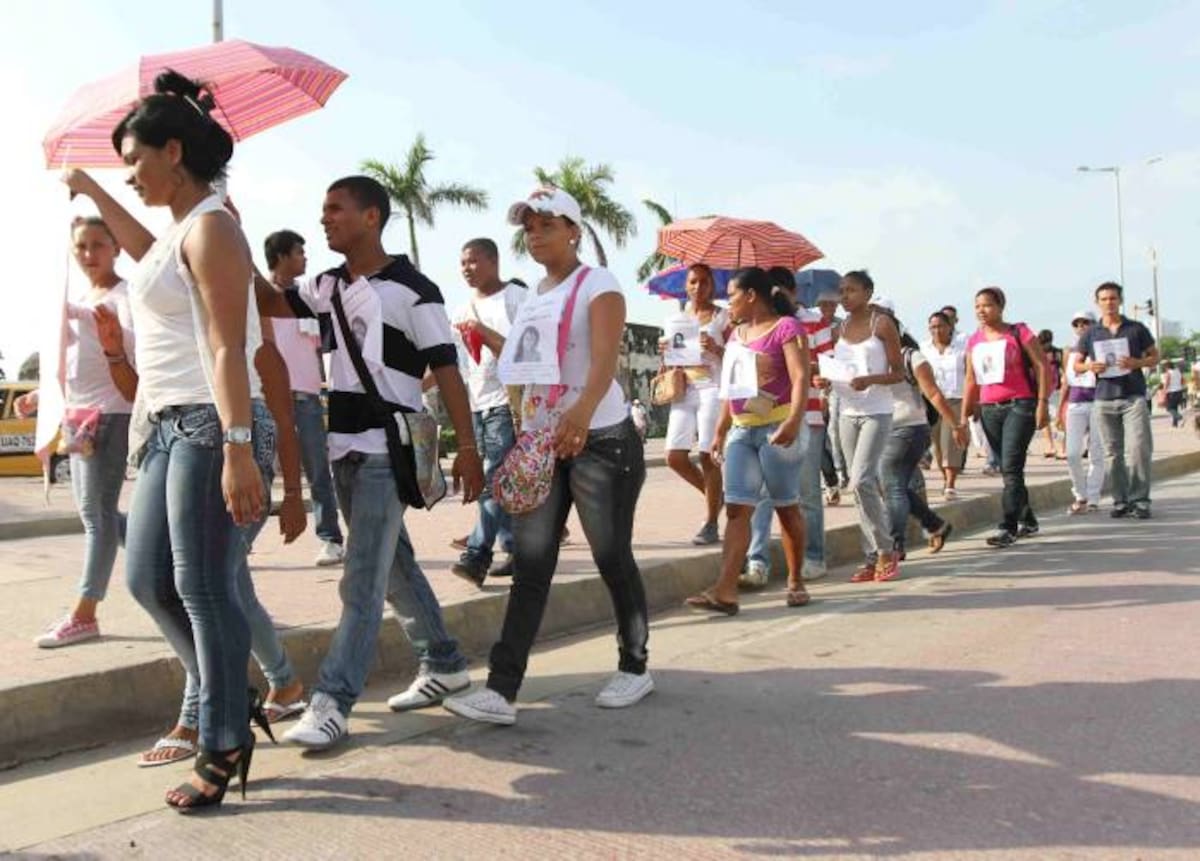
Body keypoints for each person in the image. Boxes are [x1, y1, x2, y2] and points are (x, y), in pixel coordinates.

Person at [63, 70, 276, 811]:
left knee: (204, 584)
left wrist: (240, 445)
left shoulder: (216, 225)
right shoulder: (179, 233)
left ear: (174, 150)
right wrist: (93, 191)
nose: (131, 173)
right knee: (147, 578)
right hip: (166, 428)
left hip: (213, 425)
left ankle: (222, 739)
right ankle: (231, 690)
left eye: (135, 160)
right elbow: (147, 244)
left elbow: (226, 343)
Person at [252, 175, 484, 748]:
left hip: (387, 450)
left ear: (372, 216)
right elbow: (268, 299)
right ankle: (445, 663)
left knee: (360, 581)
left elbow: (447, 369)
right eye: (322, 208)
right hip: (343, 449)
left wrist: (470, 447)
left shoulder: (413, 288)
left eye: (336, 209)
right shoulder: (324, 284)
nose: (324, 219)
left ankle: (333, 700)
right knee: (394, 566)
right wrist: (228, 231)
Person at [444, 186, 651, 725]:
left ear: (574, 230)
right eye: (529, 227)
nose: (535, 235)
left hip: (600, 439)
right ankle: (502, 689)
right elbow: (528, 363)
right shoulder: (535, 292)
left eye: (547, 225)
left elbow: (605, 359)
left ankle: (635, 666)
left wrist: (580, 414)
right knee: (532, 566)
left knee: (611, 556)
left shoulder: (598, 284)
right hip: (545, 443)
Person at [21, 217, 136, 649]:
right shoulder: (86, 296)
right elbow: (76, 365)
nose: (90, 255)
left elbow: (126, 341)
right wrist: (41, 396)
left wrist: (76, 314)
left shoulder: (122, 296)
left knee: (97, 515)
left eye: (98, 245)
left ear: (116, 248)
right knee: (102, 516)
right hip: (80, 416)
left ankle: (85, 613)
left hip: (110, 414)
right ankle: (168, 569)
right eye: (81, 247)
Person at [684, 266, 810, 613]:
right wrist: (721, 429)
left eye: (733, 296)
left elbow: (801, 378)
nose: (729, 303)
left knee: (786, 507)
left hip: (777, 428)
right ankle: (725, 591)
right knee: (737, 509)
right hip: (741, 429)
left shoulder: (787, 328)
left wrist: (795, 421)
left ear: (751, 296)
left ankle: (795, 579)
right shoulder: (737, 334)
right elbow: (730, 389)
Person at [744, 266, 831, 586]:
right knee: (763, 495)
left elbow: (830, 362)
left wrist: (795, 360)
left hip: (806, 416)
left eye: (781, 290)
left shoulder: (813, 322)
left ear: (793, 292)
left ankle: (814, 556)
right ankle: (758, 562)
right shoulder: (753, 326)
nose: (776, 296)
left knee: (806, 493)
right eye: (771, 291)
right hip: (765, 416)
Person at [263, 229, 346, 567]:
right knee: (261, 470)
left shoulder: (309, 300)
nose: (305, 258)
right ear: (281, 256)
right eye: (299, 252)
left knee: (317, 471)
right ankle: (238, 541)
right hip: (267, 399)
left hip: (306, 398)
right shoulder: (258, 297)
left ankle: (330, 538)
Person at [449, 237, 526, 585]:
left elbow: (525, 354)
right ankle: (514, 548)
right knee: (497, 480)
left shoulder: (517, 299)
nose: (467, 268)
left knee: (492, 480)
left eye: (474, 261)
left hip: (506, 405)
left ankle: (478, 554)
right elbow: (451, 365)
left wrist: (482, 331)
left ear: (494, 261)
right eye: (463, 262)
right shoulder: (462, 310)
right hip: (477, 407)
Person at [959, 287, 1050, 548]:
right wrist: (963, 419)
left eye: (987, 305)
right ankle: (1028, 519)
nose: (981, 310)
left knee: (1011, 467)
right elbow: (970, 380)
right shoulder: (974, 341)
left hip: (1019, 406)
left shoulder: (1018, 332)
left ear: (1000, 306)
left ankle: (1007, 527)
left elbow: (1041, 365)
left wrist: (1042, 404)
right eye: (977, 306)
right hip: (989, 409)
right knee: (1009, 470)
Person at [832, 273, 904, 582]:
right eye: (841, 291)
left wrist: (870, 380)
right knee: (858, 486)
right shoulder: (839, 328)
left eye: (851, 290)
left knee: (862, 479)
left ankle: (887, 550)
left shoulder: (882, 324)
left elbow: (899, 373)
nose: (844, 296)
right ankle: (872, 555)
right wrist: (825, 378)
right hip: (847, 412)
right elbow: (837, 369)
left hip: (877, 411)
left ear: (868, 292)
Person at [881, 308, 965, 561]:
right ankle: (934, 524)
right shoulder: (873, 360)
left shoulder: (912, 357)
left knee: (893, 486)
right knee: (896, 486)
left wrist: (957, 426)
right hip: (884, 429)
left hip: (909, 428)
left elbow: (934, 394)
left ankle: (895, 545)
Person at [1075, 282, 1158, 518]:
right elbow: (1077, 364)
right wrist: (1090, 366)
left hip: (1133, 397)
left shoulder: (1136, 328)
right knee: (1112, 452)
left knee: (1139, 448)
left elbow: (1155, 356)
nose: (1108, 303)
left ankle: (1140, 499)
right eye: (1104, 299)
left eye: (1112, 298)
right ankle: (1120, 500)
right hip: (1104, 398)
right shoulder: (1091, 333)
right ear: (1097, 302)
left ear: (1120, 301)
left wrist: (1137, 363)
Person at [660, 263, 729, 546]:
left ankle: (711, 521)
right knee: (674, 456)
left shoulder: (723, 317)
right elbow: (669, 359)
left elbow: (735, 355)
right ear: (685, 286)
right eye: (693, 282)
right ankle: (716, 497)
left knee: (707, 455)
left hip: (712, 386)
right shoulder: (675, 319)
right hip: (683, 388)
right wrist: (664, 352)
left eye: (704, 282)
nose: (698, 287)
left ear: (712, 285)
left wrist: (715, 347)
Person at [1059, 310, 1104, 514]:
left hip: (1098, 401)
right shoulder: (1069, 352)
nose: (1081, 327)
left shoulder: (1101, 349)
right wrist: (1061, 408)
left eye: (1085, 323)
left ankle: (1092, 497)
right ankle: (1080, 494)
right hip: (1076, 403)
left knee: (1096, 452)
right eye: (1076, 324)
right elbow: (1066, 383)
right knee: (1072, 453)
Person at [921, 311, 968, 498]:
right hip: (931, 402)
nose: (937, 330)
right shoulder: (924, 348)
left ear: (950, 327)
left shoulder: (961, 348)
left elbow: (971, 375)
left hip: (955, 399)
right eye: (933, 327)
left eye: (941, 326)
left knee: (951, 442)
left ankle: (950, 483)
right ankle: (944, 476)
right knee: (937, 445)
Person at [1038, 329, 1066, 458]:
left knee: (1059, 419)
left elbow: (1063, 369)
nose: (1046, 345)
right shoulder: (1037, 352)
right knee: (1045, 420)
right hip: (1042, 390)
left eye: (1047, 342)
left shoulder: (1057, 353)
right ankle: (1050, 446)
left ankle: (1061, 447)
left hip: (1055, 389)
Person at [1162, 360, 1185, 428]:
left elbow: (1167, 383)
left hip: (1172, 392)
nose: (1164, 368)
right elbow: (1183, 381)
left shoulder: (1168, 373)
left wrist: (1164, 391)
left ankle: (1180, 417)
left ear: (1167, 366)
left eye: (1164, 366)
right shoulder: (1178, 371)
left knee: (1169, 408)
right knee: (1175, 408)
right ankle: (1174, 424)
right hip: (1179, 391)